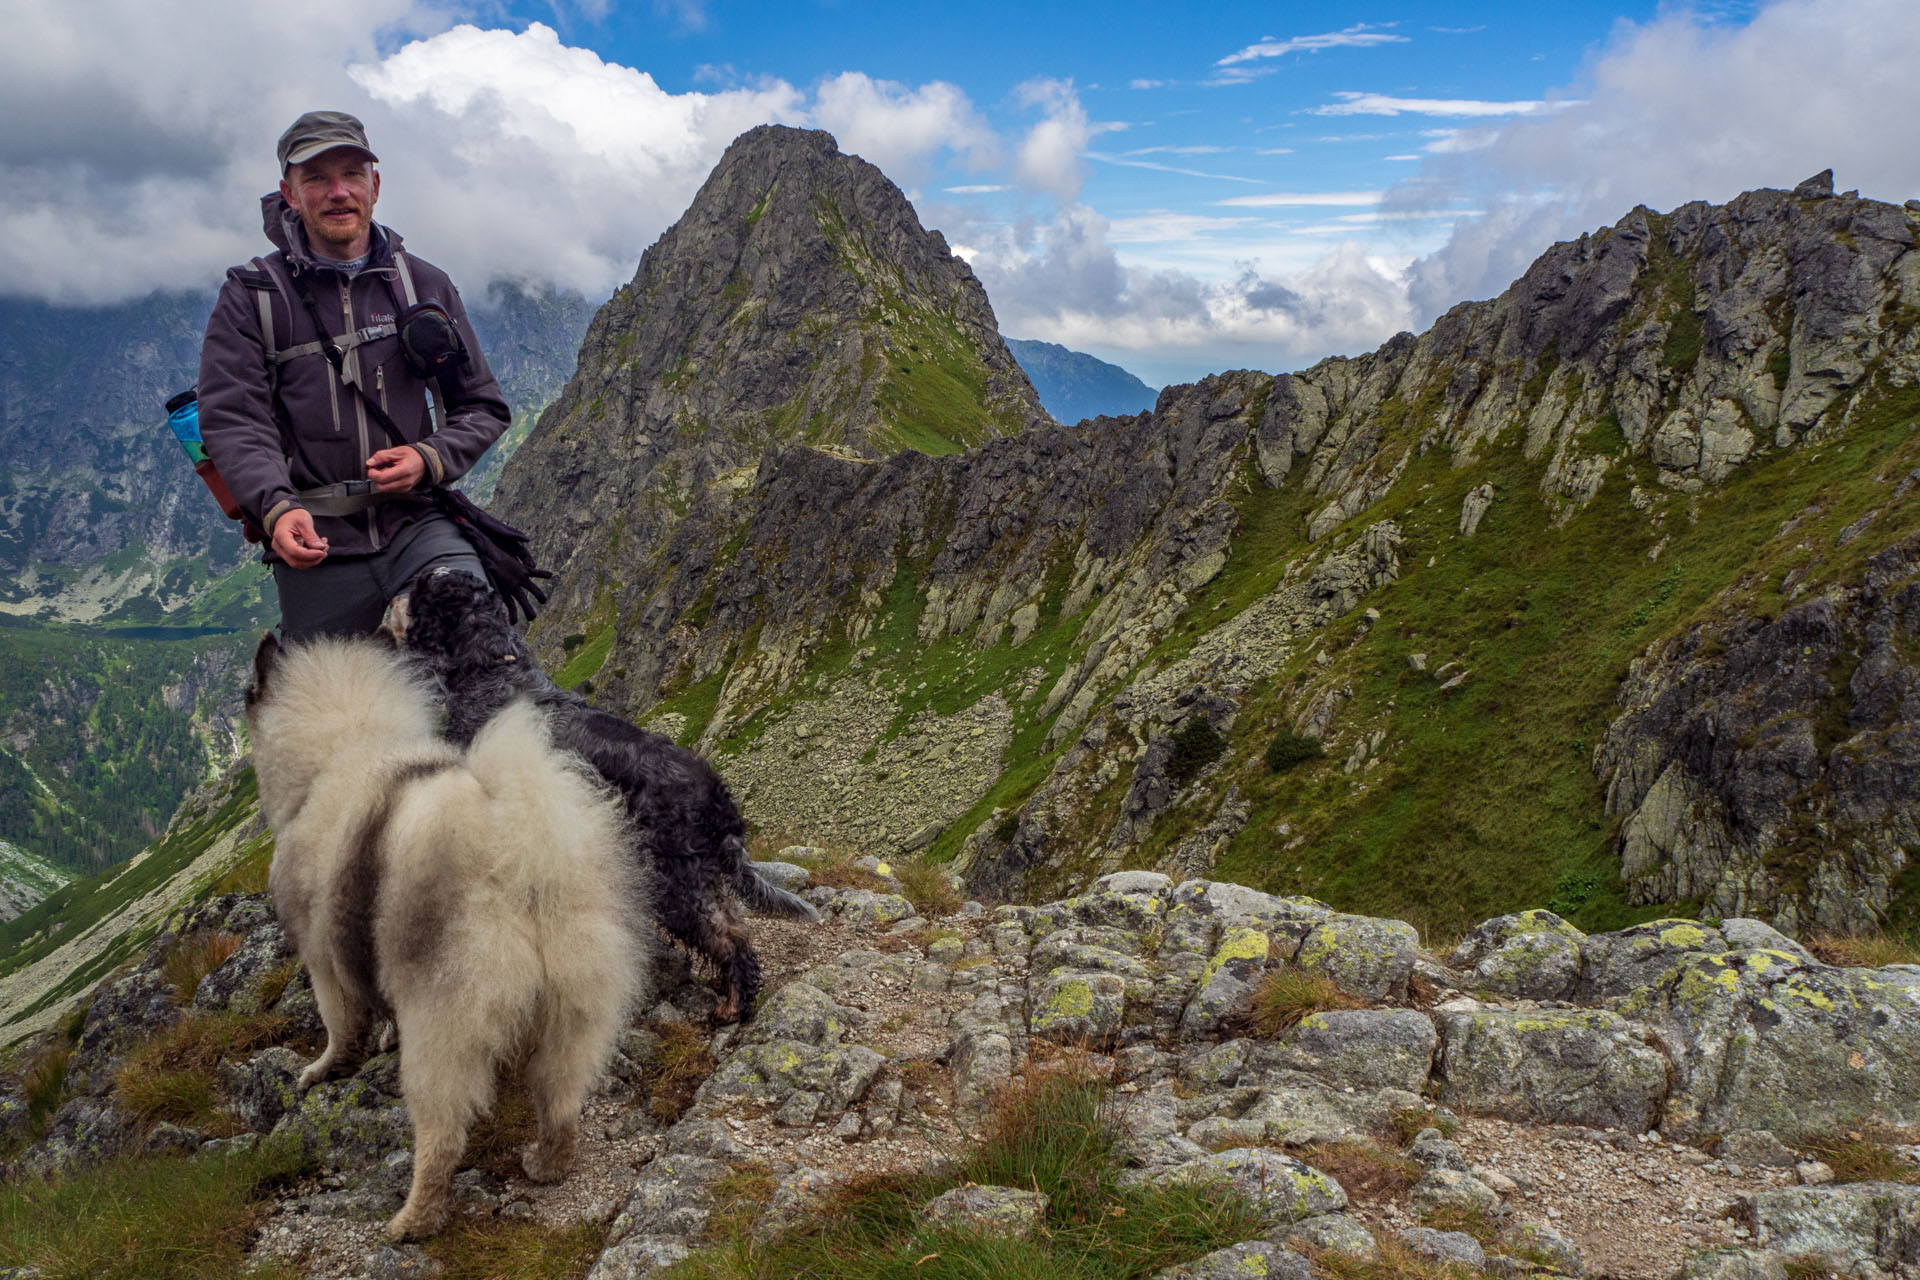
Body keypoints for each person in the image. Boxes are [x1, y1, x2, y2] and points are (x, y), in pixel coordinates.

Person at [198, 110, 511, 640]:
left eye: (352, 174)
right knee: (329, 715)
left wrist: (427, 457)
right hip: (317, 543)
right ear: (289, 194)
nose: (338, 191)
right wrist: (275, 508)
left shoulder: (424, 285)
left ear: (376, 185)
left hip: (420, 525)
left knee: (478, 649)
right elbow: (234, 420)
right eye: (316, 178)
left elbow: (482, 405)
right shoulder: (253, 296)